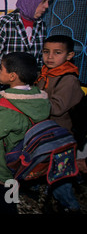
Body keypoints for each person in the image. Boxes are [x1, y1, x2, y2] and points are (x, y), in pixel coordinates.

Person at [0, 52, 51, 214]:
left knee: (2, 192)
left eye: (1, 69)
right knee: (13, 187)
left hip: (4, 162)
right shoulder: (39, 99)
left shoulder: (9, 108)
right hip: (24, 160)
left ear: (12, 76)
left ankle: (4, 209)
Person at [35, 35, 83, 213]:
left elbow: (56, 108)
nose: (50, 57)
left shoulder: (68, 80)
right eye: (46, 52)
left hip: (60, 137)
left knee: (60, 174)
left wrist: (33, 98)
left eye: (57, 53)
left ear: (69, 55)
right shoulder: (46, 72)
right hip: (45, 133)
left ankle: (70, 205)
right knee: (43, 164)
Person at [0, 0, 53, 91]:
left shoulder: (41, 25)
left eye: (48, 2)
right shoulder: (7, 23)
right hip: (4, 86)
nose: (47, 6)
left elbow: (38, 59)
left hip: (28, 88)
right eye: (43, 1)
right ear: (30, 1)